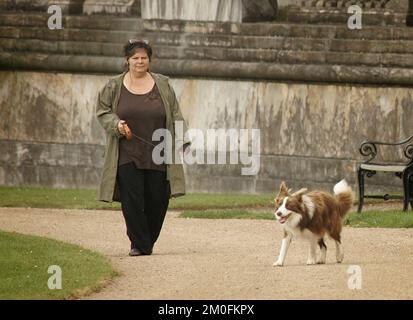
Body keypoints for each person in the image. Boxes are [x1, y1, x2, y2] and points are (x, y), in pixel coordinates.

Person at [96, 40, 191, 256]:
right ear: (127, 60)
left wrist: (183, 140)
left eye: (144, 58)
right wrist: (116, 124)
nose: (140, 61)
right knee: (132, 199)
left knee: (158, 199)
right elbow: (103, 112)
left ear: (149, 60)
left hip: (159, 152)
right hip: (126, 152)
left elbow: (176, 113)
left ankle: (145, 241)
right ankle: (139, 245)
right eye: (135, 58)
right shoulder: (113, 85)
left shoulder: (163, 84)